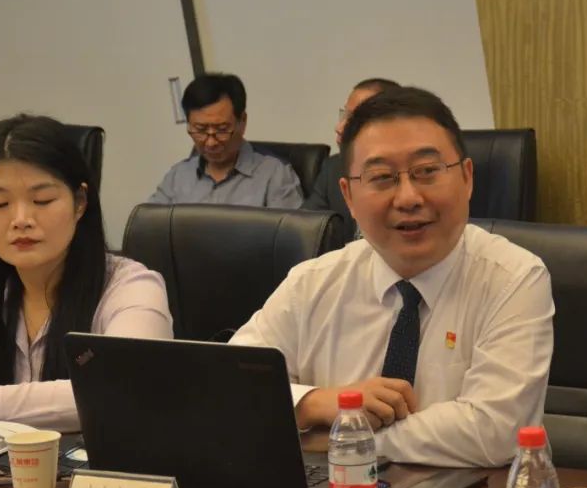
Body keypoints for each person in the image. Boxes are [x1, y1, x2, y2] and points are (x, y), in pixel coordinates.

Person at [230, 86, 554, 467]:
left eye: (427, 172)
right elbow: (227, 386)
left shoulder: (514, 279)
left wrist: (340, 438)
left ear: (467, 178)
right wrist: (312, 404)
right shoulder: (312, 283)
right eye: (382, 177)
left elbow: (494, 431)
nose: (408, 198)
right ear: (349, 197)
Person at [0, 115, 173, 433]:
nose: (21, 219)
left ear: (80, 202)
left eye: (42, 200)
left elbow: (122, 389)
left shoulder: (132, 287)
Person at [149, 73, 303, 208]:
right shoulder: (177, 176)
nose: (211, 143)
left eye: (222, 129)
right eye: (200, 130)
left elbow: (289, 231)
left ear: (242, 121)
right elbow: (148, 226)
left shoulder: (274, 175)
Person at [303, 77, 400, 237]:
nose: (339, 128)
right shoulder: (334, 167)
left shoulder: (408, 176)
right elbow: (303, 231)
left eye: (354, 119)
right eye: (344, 115)